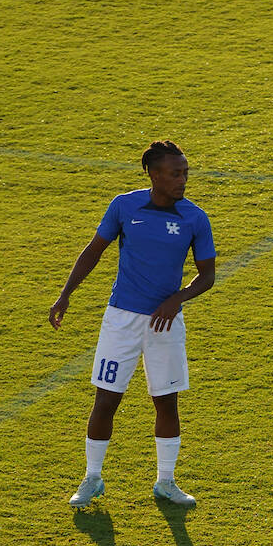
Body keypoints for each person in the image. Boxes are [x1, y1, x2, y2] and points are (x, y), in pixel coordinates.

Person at [49, 140, 217, 507]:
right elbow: (93, 251)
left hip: (165, 324)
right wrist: (65, 294)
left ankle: (166, 482)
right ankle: (92, 478)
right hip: (121, 320)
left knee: (166, 402)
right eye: (175, 173)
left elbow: (207, 276)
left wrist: (179, 298)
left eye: (185, 172)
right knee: (106, 400)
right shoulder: (124, 206)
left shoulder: (194, 218)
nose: (183, 180)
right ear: (153, 174)